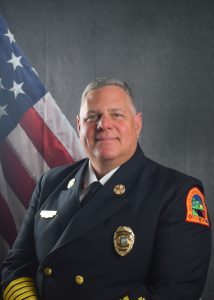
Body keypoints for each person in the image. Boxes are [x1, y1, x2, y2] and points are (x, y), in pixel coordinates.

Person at [1, 78, 211, 300]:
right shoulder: (50, 183)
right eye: (93, 117)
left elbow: (177, 291)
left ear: (137, 124)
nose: (104, 124)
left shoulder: (176, 193)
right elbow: (18, 263)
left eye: (117, 115)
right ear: (79, 125)